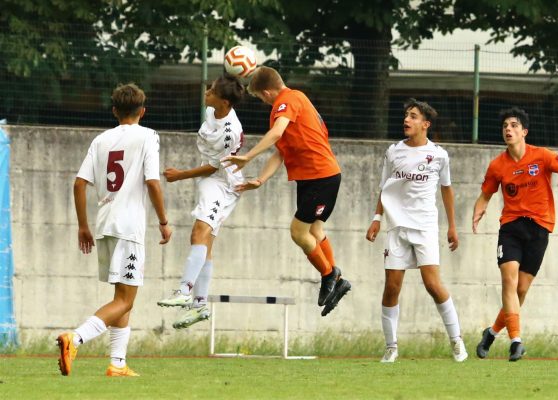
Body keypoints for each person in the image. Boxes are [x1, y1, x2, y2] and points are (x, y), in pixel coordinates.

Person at [56, 83, 172, 377]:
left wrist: (83, 226)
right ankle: (75, 339)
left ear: (114, 111)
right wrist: (163, 221)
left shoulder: (101, 140)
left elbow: (79, 183)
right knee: (125, 299)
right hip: (129, 227)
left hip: (104, 224)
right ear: (143, 111)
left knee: (122, 296)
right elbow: (152, 182)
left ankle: (117, 364)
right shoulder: (148, 136)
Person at [473, 107, 558, 361]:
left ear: (524, 131)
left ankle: (492, 332)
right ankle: (516, 342)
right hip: (511, 228)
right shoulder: (497, 165)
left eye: (514, 125)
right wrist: (478, 211)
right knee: (508, 282)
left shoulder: (541, 156)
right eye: (505, 126)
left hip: (539, 229)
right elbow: (486, 194)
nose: (508, 129)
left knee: (520, 290)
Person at [223, 66, 351, 317]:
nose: (262, 101)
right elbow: (281, 150)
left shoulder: (288, 100)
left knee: (297, 231)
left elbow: (277, 133)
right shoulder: (293, 102)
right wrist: (260, 179)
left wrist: (247, 156)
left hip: (321, 175)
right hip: (312, 177)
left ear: (268, 92)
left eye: (260, 97)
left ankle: (330, 275)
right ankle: (335, 279)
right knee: (314, 230)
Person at [365, 99, 468, 363]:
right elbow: (384, 187)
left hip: (425, 227)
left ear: (426, 124)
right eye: (406, 116)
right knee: (391, 287)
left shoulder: (439, 155)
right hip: (396, 227)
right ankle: (391, 347)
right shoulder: (393, 151)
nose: (407, 120)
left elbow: (446, 189)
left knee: (433, 285)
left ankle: (456, 341)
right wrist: (377, 218)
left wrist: (453, 226)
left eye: (413, 116)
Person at [157, 74, 246, 329]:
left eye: (213, 90)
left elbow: (212, 168)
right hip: (211, 181)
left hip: (224, 184)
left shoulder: (231, 132)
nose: (207, 92)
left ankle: (184, 290)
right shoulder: (211, 111)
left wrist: (180, 175)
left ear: (225, 102)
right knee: (205, 243)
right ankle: (199, 305)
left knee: (199, 232)